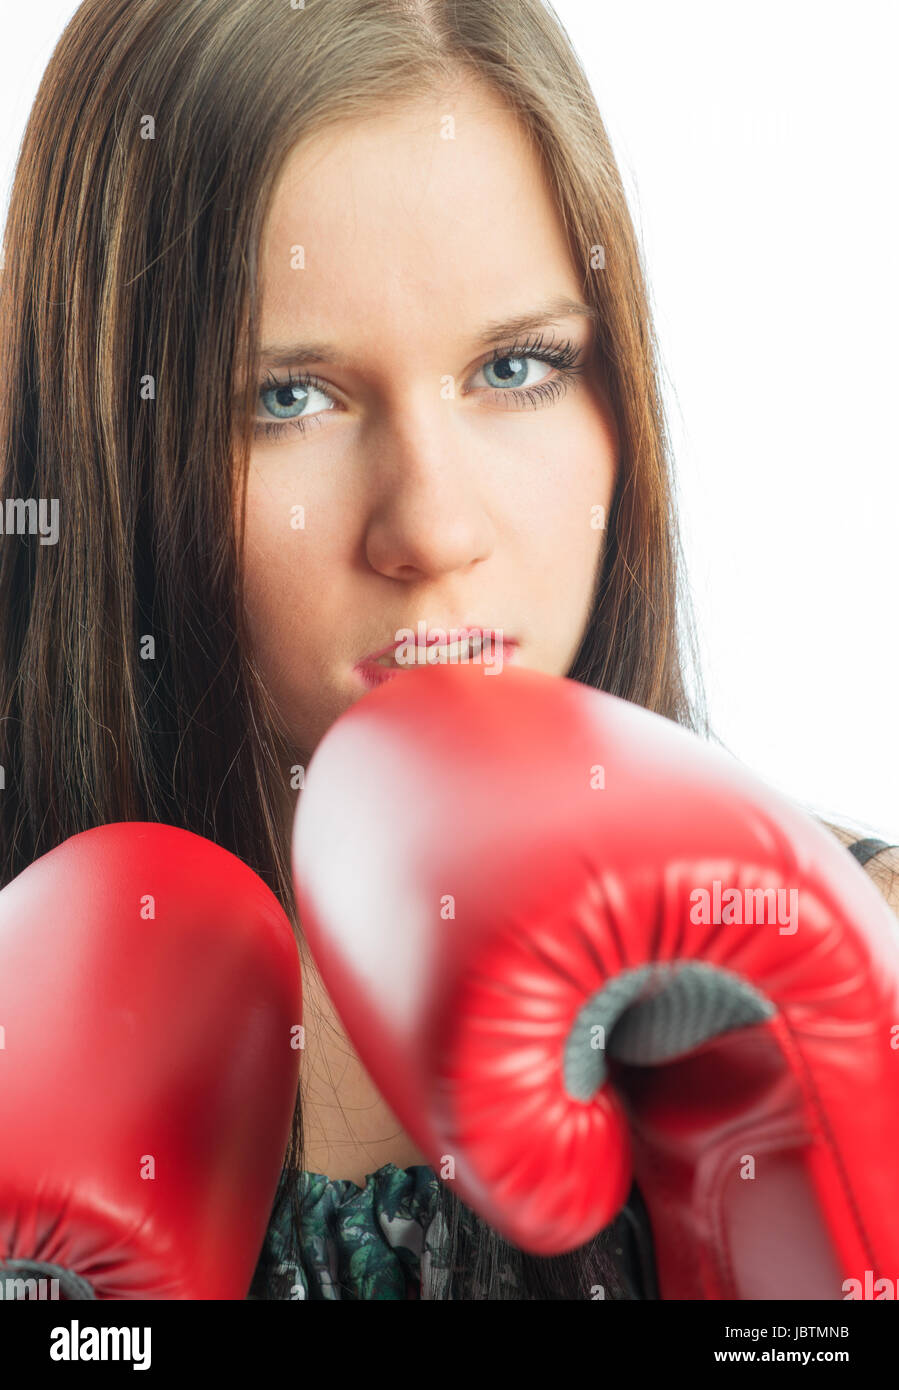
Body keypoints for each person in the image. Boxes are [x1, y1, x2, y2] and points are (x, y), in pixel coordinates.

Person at [0, 0, 895, 1300]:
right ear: (103, 432)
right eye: (287, 397)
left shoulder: (861, 947)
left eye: (519, 367)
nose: (433, 526)